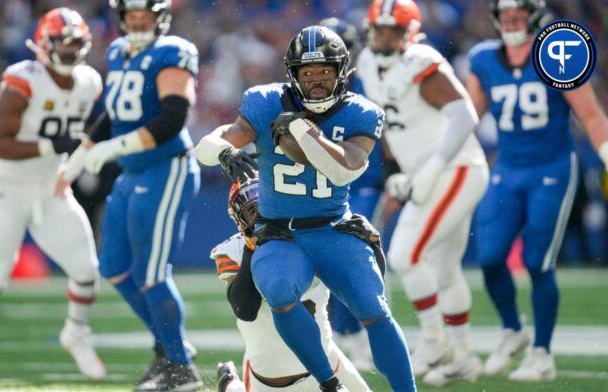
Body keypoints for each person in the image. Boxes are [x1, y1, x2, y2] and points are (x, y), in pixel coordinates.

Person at [196, 26, 415, 392]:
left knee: (374, 308)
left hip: (332, 227)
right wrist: (223, 150)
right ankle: (330, 385)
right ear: (293, 74)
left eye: (325, 72)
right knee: (280, 290)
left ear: (341, 73)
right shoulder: (265, 102)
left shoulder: (361, 112)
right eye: (307, 73)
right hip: (281, 232)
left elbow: (344, 167)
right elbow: (208, 144)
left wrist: (304, 131)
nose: (316, 81)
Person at [467, 0, 608, 381]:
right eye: (505, 15)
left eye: (518, 15)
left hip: (552, 168)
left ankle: (542, 353)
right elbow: (469, 117)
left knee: (538, 261)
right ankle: (513, 329)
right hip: (507, 169)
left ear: (534, 17)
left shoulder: (557, 56)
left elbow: (590, 114)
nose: (510, 21)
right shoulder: (483, 60)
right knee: (490, 255)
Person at [0, 8, 106, 384]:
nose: (71, 52)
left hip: (51, 189)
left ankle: (75, 334)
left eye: (77, 44)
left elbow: (86, 133)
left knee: (86, 271)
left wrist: (75, 164)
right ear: (44, 45)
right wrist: (52, 147)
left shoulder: (89, 81)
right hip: (7, 189)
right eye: (64, 44)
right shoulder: (23, 80)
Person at [56, 0, 202, 390]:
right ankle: (170, 347)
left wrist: (114, 149)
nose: (138, 23)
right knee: (116, 268)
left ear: (160, 18)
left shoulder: (174, 51)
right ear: (121, 19)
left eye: (145, 17)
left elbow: (173, 118)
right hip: (133, 171)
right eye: (132, 17)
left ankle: (180, 369)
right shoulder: (119, 52)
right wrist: (73, 164)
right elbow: (112, 116)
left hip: (166, 168)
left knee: (152, 274)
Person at [356, 0, 489, 386]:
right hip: (429, 171)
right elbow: (392, 124)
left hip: (456, 167)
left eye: (393, 31)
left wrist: (430, 169)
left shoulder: (420, 60)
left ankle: (434, 340)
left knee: (405, 255)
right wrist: (398, 172)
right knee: (444, 270)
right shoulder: (367, 62)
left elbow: (466, 115)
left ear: (410, 33)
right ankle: (462, 356)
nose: (384, 38)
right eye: (379, 30)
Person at [213, 177, 374, 392]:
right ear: (240, 219)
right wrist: (252, 247)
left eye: (267, 206)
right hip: (272, 381)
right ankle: (231, 385)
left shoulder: (313, 236)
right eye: (253, 211)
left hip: (328, 362)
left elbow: (361, 289)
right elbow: (245, 309)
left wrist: (363, 244)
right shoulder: (233, 250)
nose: (263, 216)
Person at [318, 16, 379, 372]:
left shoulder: (371, 85)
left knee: (355, 261)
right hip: (325, 189)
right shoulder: (305, 92)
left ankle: (356, 337)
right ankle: (338, 335)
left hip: (366, 184)